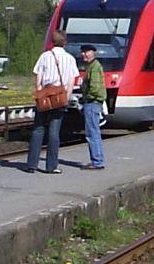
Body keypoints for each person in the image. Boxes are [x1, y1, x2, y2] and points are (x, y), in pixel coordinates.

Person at [26, 30, 78, 174]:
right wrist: (66, 98)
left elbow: (38, 76)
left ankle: (32, 165)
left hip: (45, 94)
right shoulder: (70, 59)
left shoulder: (45, 56)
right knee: (54, 132)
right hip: (60, 96)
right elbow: (71, 82)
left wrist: (39, 92)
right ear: (65, 42)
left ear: (53, 41)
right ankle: (51, 166)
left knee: (38, 129)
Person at [79, 44, 106, 170]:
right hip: (94, 103)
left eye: (86, 52)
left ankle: (97, 161)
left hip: (92, 103)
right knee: (94, 132)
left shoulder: (94, 68)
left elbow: (94, 88)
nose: (83, 54)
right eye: (82, 52)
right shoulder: (93, 66)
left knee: (92, 133)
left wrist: (86, 97)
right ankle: (97, 159)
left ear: (93, 53)